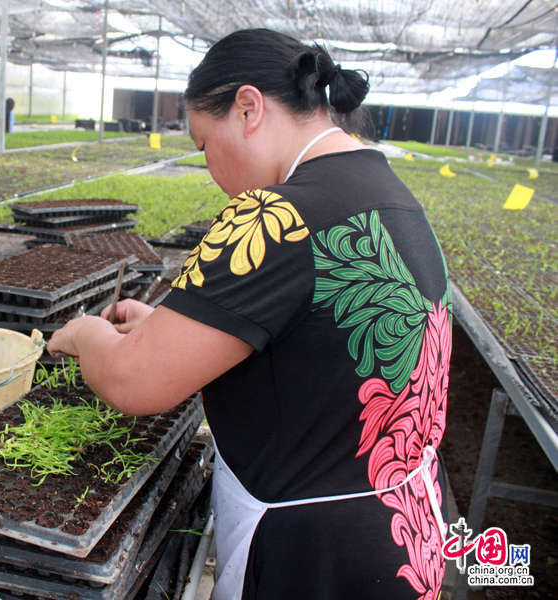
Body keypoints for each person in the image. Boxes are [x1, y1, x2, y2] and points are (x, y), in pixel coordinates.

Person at [47, 28, 451, 600]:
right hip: (403, 540)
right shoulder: (391, 196)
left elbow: (130, 381)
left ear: (248, 108)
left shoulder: (275, 214)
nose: (210, 168)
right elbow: (318, 348)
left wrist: (88, 334)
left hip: (309, 557)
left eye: (204, 143)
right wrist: (170, 332)